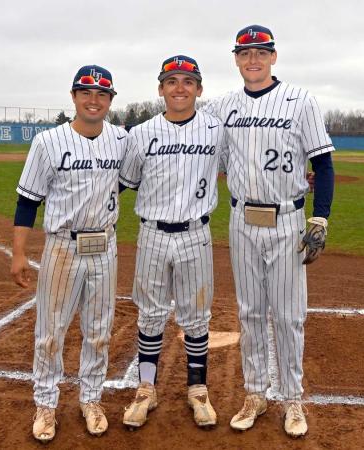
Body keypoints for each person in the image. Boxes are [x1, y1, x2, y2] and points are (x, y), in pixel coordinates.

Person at [202, 25, 335, 438]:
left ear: (274, 57)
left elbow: (324, 164)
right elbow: (187, 132)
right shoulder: (223, 106)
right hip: (243, 221)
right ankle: (256, 393)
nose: (253, 59)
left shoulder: (301, 102)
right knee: (251, 313)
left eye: (261, 52)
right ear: (236, 59)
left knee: (289, 315)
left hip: (288, 220)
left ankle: (292, 399)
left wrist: (321, 217)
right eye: (245, 53)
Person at [10, 65, 127, 443]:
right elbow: (27, 202)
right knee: (50, 332)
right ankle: (46, 403)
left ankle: (91, 399)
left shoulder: (121, 139)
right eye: (86, 92)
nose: (94, 100)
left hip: (104, 246)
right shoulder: (48, 143)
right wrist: (18, 255)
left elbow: (123, 184)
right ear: (74, 97)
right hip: (62, 247)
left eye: (102, 94)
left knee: (99, 331)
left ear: (110, 100)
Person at [119, 55, 225, 429]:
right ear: (160, 89)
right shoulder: (141, 134)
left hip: (196, 233)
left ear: (199, 89)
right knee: (150, 314)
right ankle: (146, 389)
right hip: (152, 234)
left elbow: (242, 163)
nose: (179, 87)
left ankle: (198, 390)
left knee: (197, 316)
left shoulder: (216, 130)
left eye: (187, 81)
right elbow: (125, 181)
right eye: (172, 81)